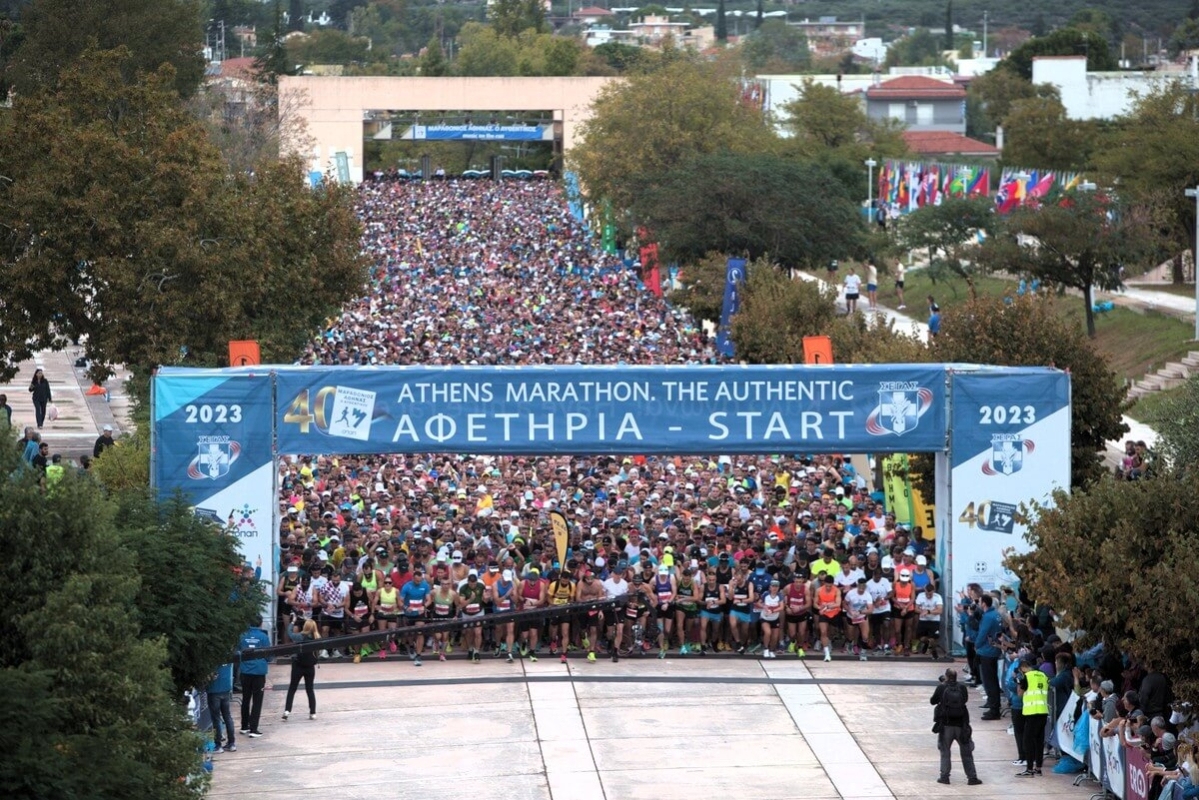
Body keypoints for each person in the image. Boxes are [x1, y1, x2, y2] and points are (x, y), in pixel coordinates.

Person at [930, 668, 982, 786]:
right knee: (966, 752)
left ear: (946, 676)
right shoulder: (962, 687)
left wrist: (942, 687)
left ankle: (944, 777)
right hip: (961, 724)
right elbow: (965, 700)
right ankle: (972, 777)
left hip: (946, 724)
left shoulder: (941, 687)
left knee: (945, 751)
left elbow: (933, 701)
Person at [236, 616, 271, 738]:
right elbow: (269, 655)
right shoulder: (263, 636)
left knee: (245, 698)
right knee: (257, 700)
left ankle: (244, 726)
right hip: (259, 672)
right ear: (261, 624)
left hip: (245, 671)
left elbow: (237, 652)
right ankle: (253, 729)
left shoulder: (242, 635)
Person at [1016, 653, 1050, 776]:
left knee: (1027, 741)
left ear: (1023, 668)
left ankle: (1029, 768)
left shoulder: (1026, 677)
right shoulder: (1043, 675)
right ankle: (1038, 768)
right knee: (1039, 741)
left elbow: (1020, 694)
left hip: (1032, 712)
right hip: (1043, 711)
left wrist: (1018, 681)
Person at [283, 618, 319, 721]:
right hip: (310, 666)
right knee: (310, 689)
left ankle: (287, 710)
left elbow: (289, 633)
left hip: (298, 665)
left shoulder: (299, 637)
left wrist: (293, 622)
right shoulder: (317, 638)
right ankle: (313, 712)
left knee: (292, 688)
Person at [974, 594, 1004, 720]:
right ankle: (994, 706)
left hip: (987, 651)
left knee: (989, 681)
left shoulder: (987, 617)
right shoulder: (996, 614)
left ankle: (994, 709)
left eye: (979, 601)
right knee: (993, 680)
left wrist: (977, 645)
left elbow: (982, 633)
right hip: (993, 650)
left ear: (984, 603)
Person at [206, 662, 237, 753]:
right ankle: (231, 743)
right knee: (227, 717)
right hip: (226, 689)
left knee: (216, 719)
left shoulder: (213, 659)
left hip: (214, 691)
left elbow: (211, 676)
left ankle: (218, 745)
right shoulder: (229, 658)